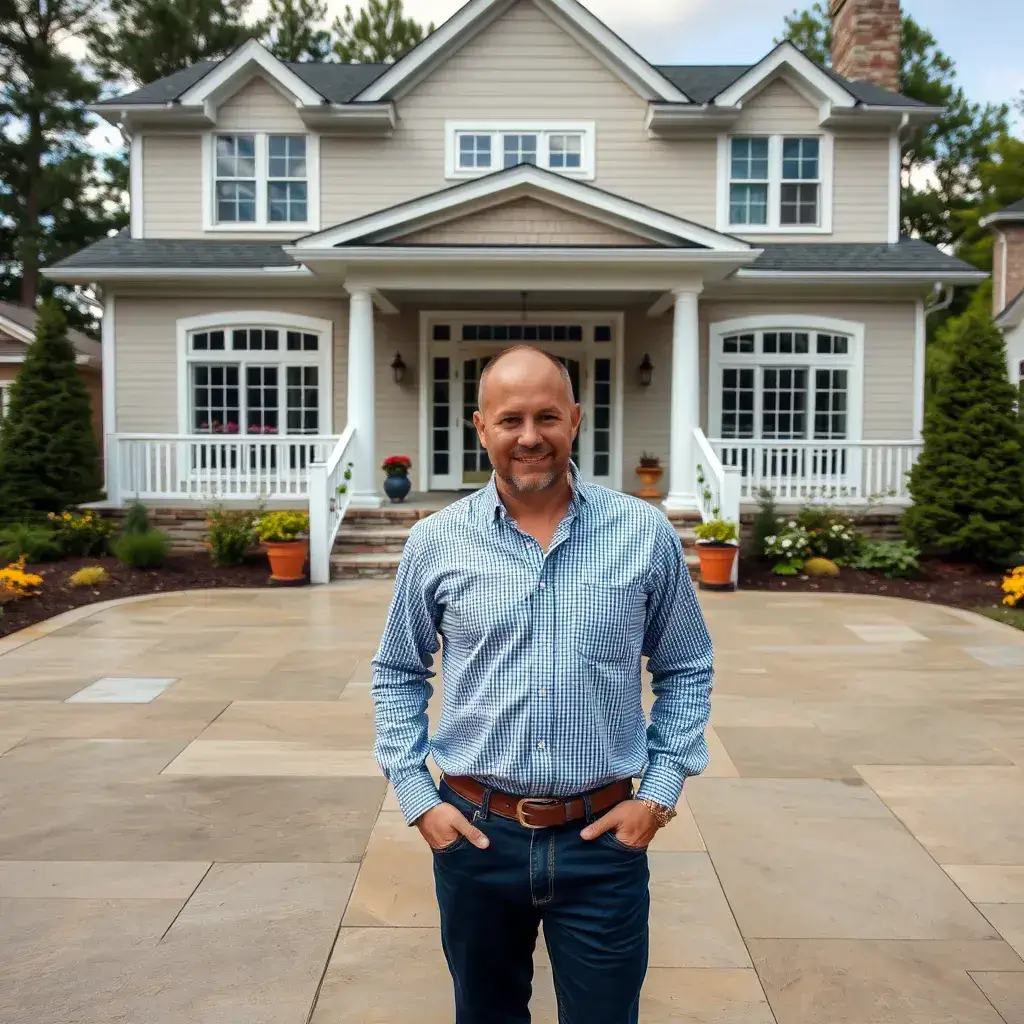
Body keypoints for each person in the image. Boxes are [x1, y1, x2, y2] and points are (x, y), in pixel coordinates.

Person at [372, 345, 713, 1024]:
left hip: (603, 846)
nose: (530, 436)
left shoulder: (642, 533)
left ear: (576, 420)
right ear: (481, 428)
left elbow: (686, 666)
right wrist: (417, 796)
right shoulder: (436, 541)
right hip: (476, 838)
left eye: (547, 416)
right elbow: (398, 670)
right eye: (511, 420)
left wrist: (659, 794)